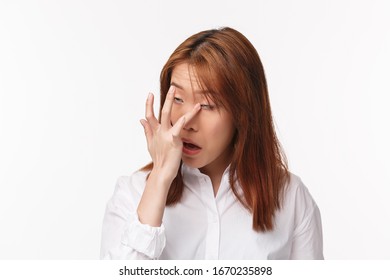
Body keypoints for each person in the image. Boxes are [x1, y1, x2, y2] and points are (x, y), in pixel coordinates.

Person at [100, 27, 324, 260]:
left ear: (243, 112)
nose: (186, 122)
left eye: (206, 105)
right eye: (177, 99)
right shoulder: (132, 193)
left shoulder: (292, 198)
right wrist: (159, 178)